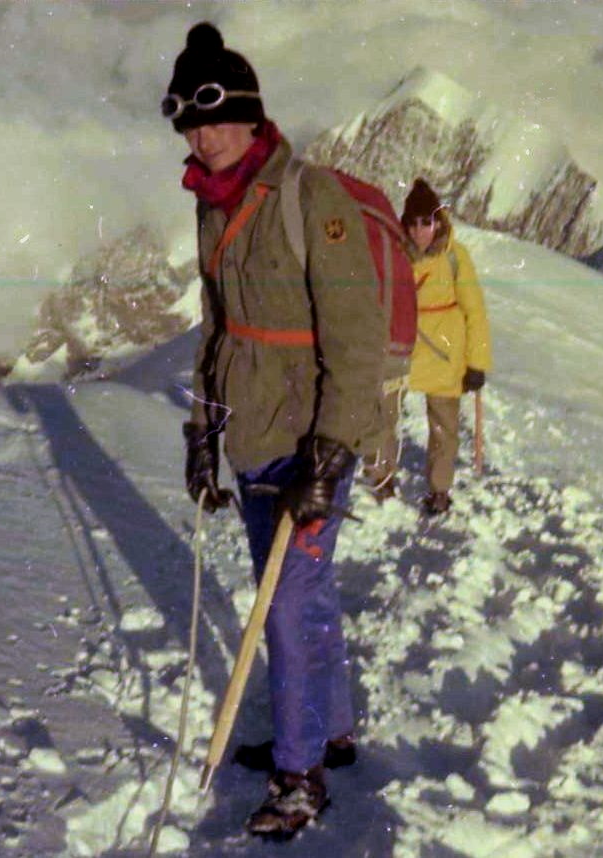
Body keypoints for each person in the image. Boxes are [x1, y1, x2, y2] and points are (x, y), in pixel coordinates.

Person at [164, 22, 385, 839]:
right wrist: (199, 429)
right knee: (302, 594)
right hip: (251, 437)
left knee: (285, 607)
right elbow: (218, 327)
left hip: (308, 438)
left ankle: (300, 775)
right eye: (189, 122)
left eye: (215, 117)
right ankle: (330, 729)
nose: (203, 135)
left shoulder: (307, 195)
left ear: (252, 114)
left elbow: (356, 338)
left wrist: (330, 454)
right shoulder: (211, 205)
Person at [391, 179, 492, 515]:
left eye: (427, 222)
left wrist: (477, 363)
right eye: (413, 222)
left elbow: (474, 311)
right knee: (384, 416)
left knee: (443, 428)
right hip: (403, 347)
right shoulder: (394, 255)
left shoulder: (455, 257)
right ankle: (381, 478)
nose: (420, 230)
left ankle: (439, 489)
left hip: (444, 352)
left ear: (438, 222)